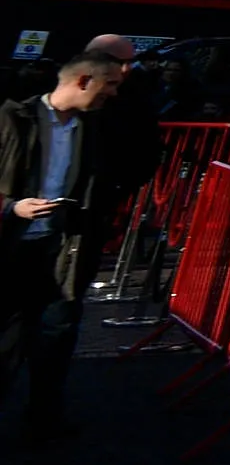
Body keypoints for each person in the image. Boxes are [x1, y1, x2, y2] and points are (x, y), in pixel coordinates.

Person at [0, 54, 124, 444]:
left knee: (57, 334)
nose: (114, 93)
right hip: (12, 247)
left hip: (64, 247)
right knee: (7, 337)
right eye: (111, 84)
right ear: (85, 80)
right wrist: (10, 207)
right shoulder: (12, 119)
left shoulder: (95, 128)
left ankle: (43, 418)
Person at [68, 38, 160, 308]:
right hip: (39, 207)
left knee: (69, 294)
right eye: (120, 62)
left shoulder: (134, 98)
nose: (125, 69)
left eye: (130, 63)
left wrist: (117, 188)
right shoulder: (59, 89)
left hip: (95, 202)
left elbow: (148, 150)